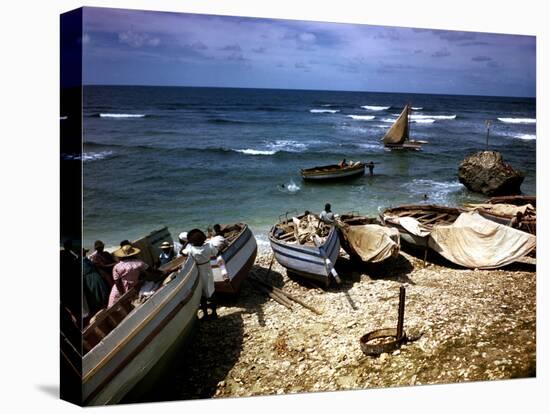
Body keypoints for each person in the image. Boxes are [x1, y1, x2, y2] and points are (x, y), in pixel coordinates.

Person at [186, 228, 219, 319]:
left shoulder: (191, 249)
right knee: (211, 291)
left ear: (192, 241)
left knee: (202, 295)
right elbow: (217, 253)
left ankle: (205, 314)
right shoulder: (209, 246)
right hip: (208, 270)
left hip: (198, 272)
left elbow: (182, 253)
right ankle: (214, 313)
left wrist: (186, 243)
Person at [82, 248, 110, 318]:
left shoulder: (84, 260)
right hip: (93, 277)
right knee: (101, 291)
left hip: (89, 278)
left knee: (95, 294)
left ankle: (101, 308)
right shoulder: (86, 260)